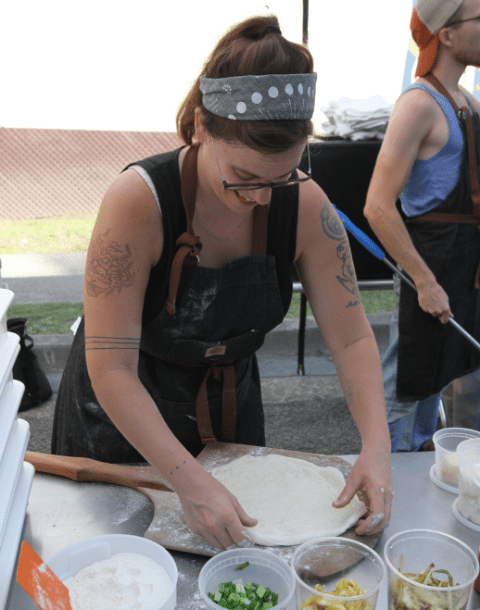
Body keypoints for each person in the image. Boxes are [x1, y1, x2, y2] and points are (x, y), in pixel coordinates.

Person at [52, 15, 392, 548]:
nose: (261, 197)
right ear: (202, 126)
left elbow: (350, 338)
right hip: (124, 420)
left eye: (279, 178)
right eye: (244, 178)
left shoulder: (304, 206)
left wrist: (376, 447)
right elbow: (111, 367)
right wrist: (186, 479)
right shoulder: (138, 202)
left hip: (228, 409)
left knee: (238, 573)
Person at [364, 0, 480, 452]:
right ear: (446, 35)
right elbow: (377, 206)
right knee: (407, 376)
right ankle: (382, 470)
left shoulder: (468, 103)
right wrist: (425, 281)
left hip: (463, 264)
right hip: (428, 262)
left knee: (440, 370)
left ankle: (419, 460)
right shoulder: (418, 105)